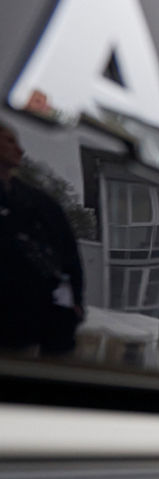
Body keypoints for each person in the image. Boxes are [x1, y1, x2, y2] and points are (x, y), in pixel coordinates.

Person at [0, 122, 84, 354]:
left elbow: (68, 258)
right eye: (9, 141)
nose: (19, 150)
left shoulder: (41, 205)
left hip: (32, 330)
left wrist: (73, 304)